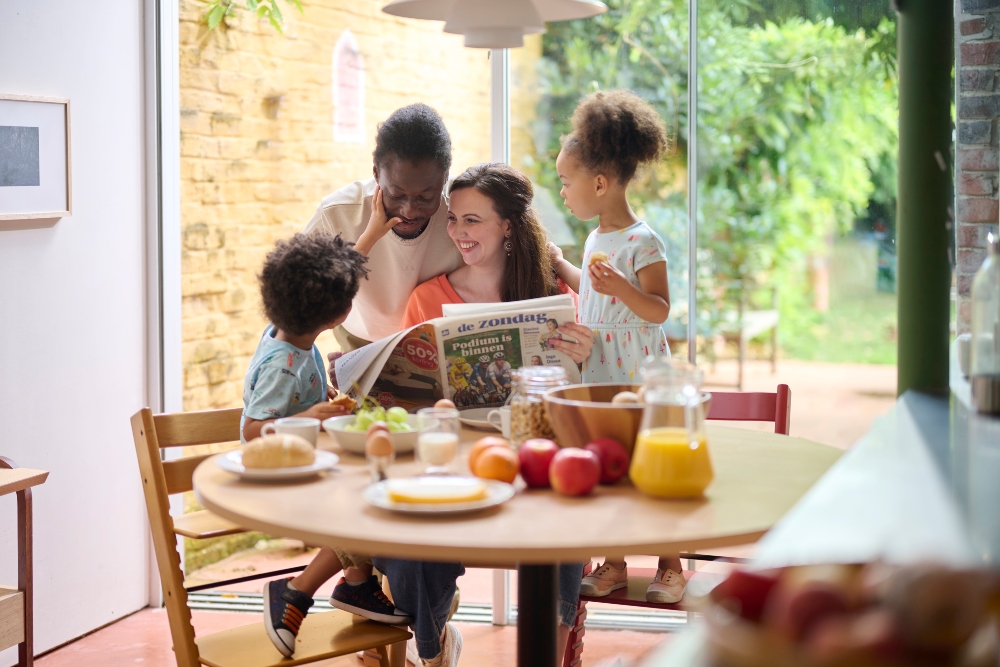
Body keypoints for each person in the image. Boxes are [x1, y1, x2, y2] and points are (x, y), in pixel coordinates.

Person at [390, 163, 596, 664]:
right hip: (454, 460)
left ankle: (547, 649)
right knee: (403, 535)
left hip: (533, 458)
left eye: (473, 220)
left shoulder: (555, 294)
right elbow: (403, 399)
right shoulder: (427, 298)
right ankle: (433, 646)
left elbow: (585, 395)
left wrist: (590, 351)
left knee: (563, 515)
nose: (458, 232)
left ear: (507, 226)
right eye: (454, 219)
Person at [240, 234, 413, 659]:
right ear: (337, 315)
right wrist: (303, 418)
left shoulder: (293, 339)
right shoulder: (284, 365)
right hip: (286, 477)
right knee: (369, 502)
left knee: (369, 486)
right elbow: (250, 429)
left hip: (308, 465)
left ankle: (357, 583)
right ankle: (295, 591)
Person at [548, 90, 684, 605]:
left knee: (648, 462)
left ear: (600, 183)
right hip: (601, 365)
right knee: (608, 460)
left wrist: (621, 289)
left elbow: (658, 309)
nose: (562, 191)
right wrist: (563, 266)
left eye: (566, 181)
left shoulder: (643, 240)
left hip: (638, 366)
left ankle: (671, 566)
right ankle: (615, 563)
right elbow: (595, 288)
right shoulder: (595, 238)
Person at [304, 103, 463, 359]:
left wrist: (554, 258)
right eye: (396, 194)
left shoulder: (465, 205)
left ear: (444, 178)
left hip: (443, 342)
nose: (409, 211)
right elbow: (300, 297)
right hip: (361, 341)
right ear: (377, 174)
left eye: (425, 197)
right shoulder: (337, 214)